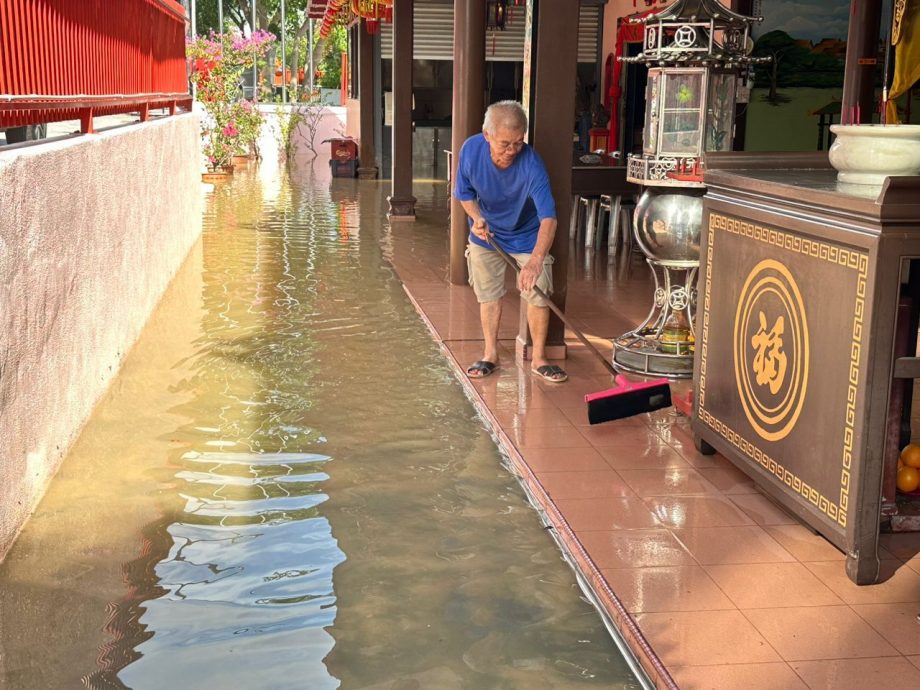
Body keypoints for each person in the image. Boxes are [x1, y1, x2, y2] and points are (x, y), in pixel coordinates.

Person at [453, 100, 567, 383]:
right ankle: (490, 353)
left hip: (527, 236)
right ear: (486, 134)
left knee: (538, 289)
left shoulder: (531, 164)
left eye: (518, 143)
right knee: (488, 293)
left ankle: (539, 357)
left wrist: (537, 260)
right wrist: (477, 217)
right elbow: (463, 193)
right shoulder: (470, 150)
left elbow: (548, 218)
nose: (512, 151)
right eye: (505, 143)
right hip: (486, 234)